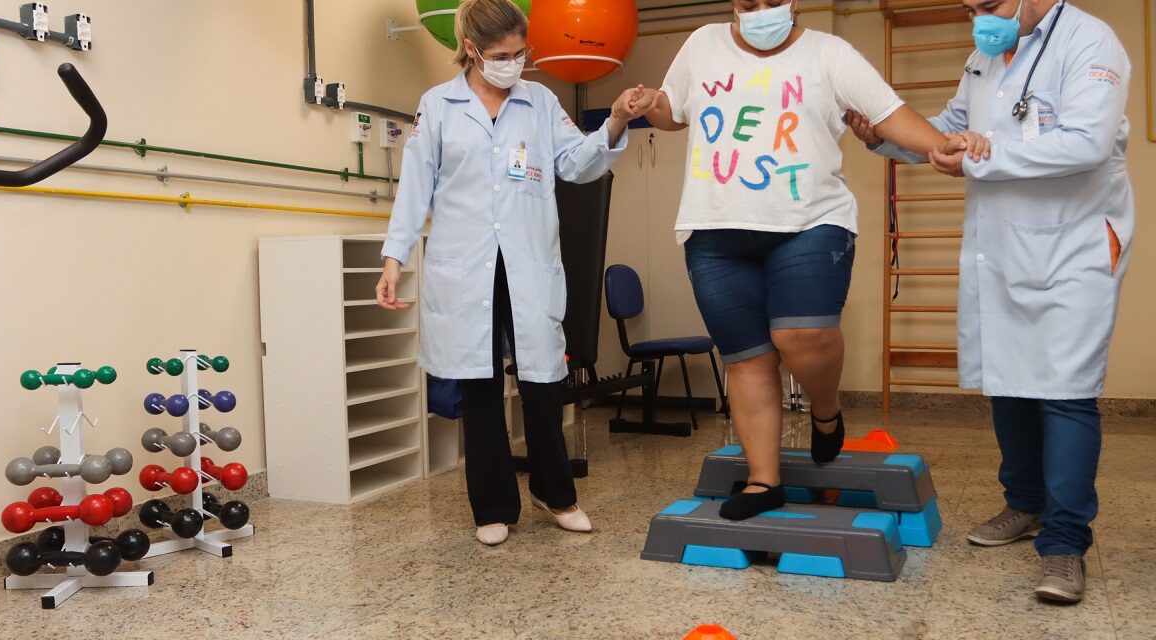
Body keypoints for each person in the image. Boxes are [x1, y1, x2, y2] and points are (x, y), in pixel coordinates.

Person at [626, 0, 967, 521]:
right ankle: (765, 480)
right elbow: (674, 112)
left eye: (773, 2)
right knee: (747, 357)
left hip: (810, 222)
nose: (761, 11)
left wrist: (942, 147)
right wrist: (650, 103)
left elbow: (888, 114)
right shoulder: (702, 44)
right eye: (749, 4)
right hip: (715, 229)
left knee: (800, 335)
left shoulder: (830, 54)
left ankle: (826, 413)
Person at [849, 0, 1132, 604]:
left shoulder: (1091, 41)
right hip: (1001, 245)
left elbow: (1086, 142)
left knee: (1065, 392)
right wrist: (882, 139)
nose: (981, 15)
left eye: (992, 3)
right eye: (972, 5)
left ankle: (1064, 543)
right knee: (1008, 381)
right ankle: (1024, 503)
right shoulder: (982, 58)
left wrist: (984, 152)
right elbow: (946, 133)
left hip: (1073, 244)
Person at [377, 0, 652, 546]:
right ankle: (493, 506)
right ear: (473, 50)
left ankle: (556, 494)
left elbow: (577, 163)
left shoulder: (541, 101)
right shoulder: (439, 105)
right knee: (477, 389)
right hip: (465, 267)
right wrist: (393, 259)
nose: (514, 63)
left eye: (521, 52)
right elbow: (415, 189)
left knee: (543, 382)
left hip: (527, 265)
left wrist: (617, 120)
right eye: (502, 55)